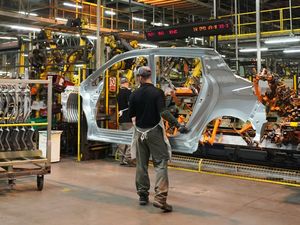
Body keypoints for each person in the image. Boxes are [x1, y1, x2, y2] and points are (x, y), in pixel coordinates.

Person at [128, 66, 189, 213]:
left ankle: (143, 196)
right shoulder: (157, 92)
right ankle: (160, 199)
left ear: (139, 77)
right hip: (154, 132)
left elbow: (132, 116)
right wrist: (178, 125)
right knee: (161, 163)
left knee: (141, 165)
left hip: (139, 132)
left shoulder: (134, 94)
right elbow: (163, 112)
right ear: (150, 76)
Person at [117, 77, 133, 165]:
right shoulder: (128, 92)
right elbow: (132, 104)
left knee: (122, 139)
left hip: (121, 119)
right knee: (131, 139)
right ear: (127, 83)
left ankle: (121, 158)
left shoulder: (118, 93)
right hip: (129, 119)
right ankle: (128, 158)